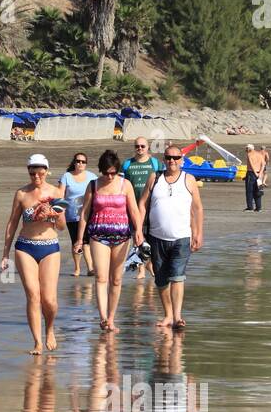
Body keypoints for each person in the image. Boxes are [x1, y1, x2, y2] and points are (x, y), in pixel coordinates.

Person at [1, 152, 66, 355]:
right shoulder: (22, 194)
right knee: (33, 295)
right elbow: (12, 223)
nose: (36, 177)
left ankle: (49, 329)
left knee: (49, 300)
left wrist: (52, 214)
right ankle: (37, 342)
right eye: (32, 173)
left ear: (46, 171)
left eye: (39, 172)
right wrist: (5, 254)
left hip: (49, 247)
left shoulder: (56, 193)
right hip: (25, 247)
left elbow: (63, 226)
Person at [76, 150, 141, 333]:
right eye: (106, 172)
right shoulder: (93, 185)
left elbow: (134, 211)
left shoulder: (125, 184)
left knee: (117, 279)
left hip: (122, 235)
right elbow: (84, 214)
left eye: (113, 172)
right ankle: (103, 317)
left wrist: (139, 233)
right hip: (98, 235)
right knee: (101, 277)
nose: (110, 176)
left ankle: (111, 318)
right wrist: (80, 239)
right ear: (101, 170)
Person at [139, 145, 203, 332]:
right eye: (168, 158)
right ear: (164, 159)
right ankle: (167, 314)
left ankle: (177, 316)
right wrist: (138, 229)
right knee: (161, 278)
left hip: (182, 236)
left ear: (182, 160)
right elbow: (142, 204)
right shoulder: (154, 178)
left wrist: (199, 233)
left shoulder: (189, 179)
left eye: (176, 158)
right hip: (156, 236)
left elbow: (197, 208)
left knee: (177, 277)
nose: (172, 161)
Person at [122, 137, 163, 279]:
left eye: (142, 146)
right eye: (137, 146)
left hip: (152, 207)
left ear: (148, 148)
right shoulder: (127, 164)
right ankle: (141, 270)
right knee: (137, 238)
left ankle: (151, 265)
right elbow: (121, 184)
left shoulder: (155, 163)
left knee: (152, 238)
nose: (140, 148)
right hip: (132, 207)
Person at [59, 152, 97, 277]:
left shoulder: (92, 177)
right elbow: (60, 195)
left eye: (83, 162)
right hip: (71, 215)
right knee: (76, 240)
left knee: (86, 241)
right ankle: (77, 268)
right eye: (78, 161)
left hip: (87, 215)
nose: (80, 163)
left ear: (86, 164)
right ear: (74, 162)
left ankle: (90, 268)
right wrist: (60, 212)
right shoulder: (66, 176)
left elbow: (99, 193)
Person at [244, 143, 265, 211]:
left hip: (251, 173)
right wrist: (260, 173)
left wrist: (255, 173)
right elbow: (263, 164)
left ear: (249, 149)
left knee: (249, 191)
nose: (246, 149)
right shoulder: (259, 154)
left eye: (247, 148)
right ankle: (258, 207)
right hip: (260, 174)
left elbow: (251, 164)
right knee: (258, 190)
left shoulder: (249, 154)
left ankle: (250, 207)